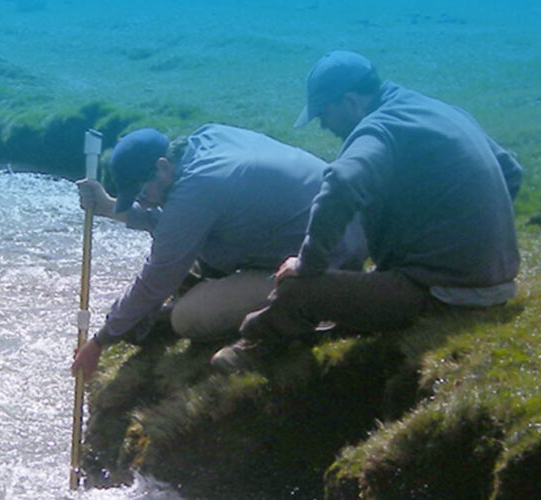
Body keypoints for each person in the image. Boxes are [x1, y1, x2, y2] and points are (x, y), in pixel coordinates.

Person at [211, 50, 523, 373]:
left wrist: (308, 263)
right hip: (497, 281)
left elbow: (342, 183)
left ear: (350, 101)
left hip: (444, 292)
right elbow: (510, 171)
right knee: (359, 287)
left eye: (324, 114)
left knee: (300, 290)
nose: (324, 126)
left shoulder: (380, 127)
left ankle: (253, 348)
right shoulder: (437, 110)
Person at [70, 124, 367, 380]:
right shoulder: (207, 140)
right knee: (194, 263)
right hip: (347, 229)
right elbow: (180, 223)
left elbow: (156, 278)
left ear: (162, 166)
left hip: (329, 261)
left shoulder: (196, 191)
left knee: (187, 318)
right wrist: (109, 207)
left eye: (141, 194)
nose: (144, 204)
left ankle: (300, 314)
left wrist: (100, 341)